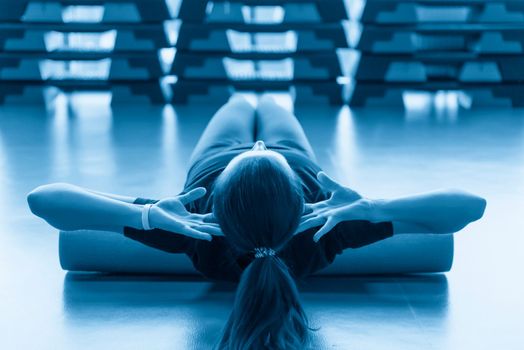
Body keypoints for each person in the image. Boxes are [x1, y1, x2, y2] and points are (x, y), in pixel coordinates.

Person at [27, 95, 486, 349]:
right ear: (304, 203)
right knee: (272, 106)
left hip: (215, 161)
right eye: (260, 152)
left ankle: (245, 101)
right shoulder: (324, 223)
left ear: (218, 205)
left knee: (236, 103)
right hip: (296, 160)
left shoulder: (193, 224)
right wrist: (371, 208)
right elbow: (472, 205)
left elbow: (43, 200)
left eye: (257, 152)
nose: (260, 144)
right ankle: (266, 98)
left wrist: (144, 213)